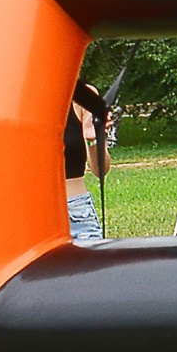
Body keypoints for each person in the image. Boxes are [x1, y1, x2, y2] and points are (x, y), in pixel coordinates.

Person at [64, 80, 110, 241]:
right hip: (30, 216)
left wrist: (93, 140)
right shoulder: (13, 96)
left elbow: (100, 170)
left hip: (76, 212)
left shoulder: (81, 93)